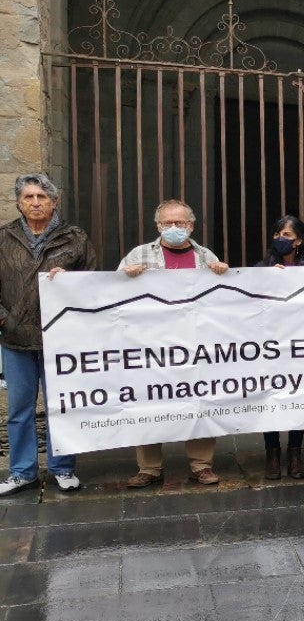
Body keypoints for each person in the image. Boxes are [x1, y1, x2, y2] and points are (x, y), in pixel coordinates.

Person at [119, 199, 229, 487]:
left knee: (200, 400)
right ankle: (149, 468)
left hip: (195, 344)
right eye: (167, 223)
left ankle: (201, 465)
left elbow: (222, 301)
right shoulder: (139, 254)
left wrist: (223, 273)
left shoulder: (206, 257)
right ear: (157, 226)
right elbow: (112, 298)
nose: (174, 228)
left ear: (191, 226)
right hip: (151, 346)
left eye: (180, 223)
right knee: (148, 400)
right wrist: (125, 277)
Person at [0, 174, 98, 496]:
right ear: (19, 202)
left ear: (54, 202)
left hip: (60, 337)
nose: (36, 202)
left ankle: (63, 467)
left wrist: (70, 280)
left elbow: (94, 281)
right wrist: (5, 321)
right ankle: (22, 471)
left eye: (43, 197)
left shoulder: (74, 238)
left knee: (61, 405)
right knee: (19, 409)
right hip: (16, 339)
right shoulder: (4, 238)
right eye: (29, 197)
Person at [259, 215, 304, 479]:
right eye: (277, 234)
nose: (281, 240)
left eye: (288, 236)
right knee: (270, 396)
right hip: (269, 346)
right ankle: (272, 452)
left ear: (299, 241)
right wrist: (267, 278)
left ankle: (295, 451)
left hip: (300, 347)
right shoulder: (262, 268)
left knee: (297, 396)